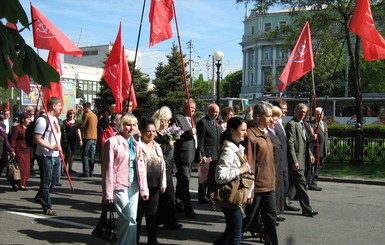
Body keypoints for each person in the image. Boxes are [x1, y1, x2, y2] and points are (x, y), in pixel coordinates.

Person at [102, 114, 149, 245]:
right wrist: (108, 193)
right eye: (128, 125)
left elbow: (141, 168)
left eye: (134, 125)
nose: (131, 128)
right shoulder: (112, 142)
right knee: (126, 218)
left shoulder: (136, 144)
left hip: (134, 186)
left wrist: (144, 189)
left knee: (133, 220)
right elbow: (107, 169)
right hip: (119, 185)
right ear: (121, 126)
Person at [243, 101, 279, 245]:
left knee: (271, 219)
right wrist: (250, 189)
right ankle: (228, 240)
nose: (272, 119)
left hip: (269, 185)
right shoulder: (251, 135)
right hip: (257, 187)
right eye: (269, 116)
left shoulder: (265, 133)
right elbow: (249, 164)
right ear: (257, 116)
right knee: (249, 219)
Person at [213, 117, 252, 245]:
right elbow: (220, 177)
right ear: (232, 131)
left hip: (238, 195)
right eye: (242, 130)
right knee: (236, 235)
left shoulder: (237, 147)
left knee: (231, 231)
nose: (245, 133)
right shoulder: (228, 151)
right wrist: (240, 170)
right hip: (231, 196)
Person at [151, 106, 182, 230]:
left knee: (168, 195)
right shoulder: (155, 134)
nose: (168, 123)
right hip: (160, 167)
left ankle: (168, 220)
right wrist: (169, 144)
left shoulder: (165, 132)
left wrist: (173, 139)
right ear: (162, 120)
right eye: (167, 120)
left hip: (168, 166)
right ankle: (167, 221)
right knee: (166, 195)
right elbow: (159, 151)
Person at [285, 103, 318, 217]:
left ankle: (285, 201)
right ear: (295, 111)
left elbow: (305, 143)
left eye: (304, 112)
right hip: (297, 160)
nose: (303, 114)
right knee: (302, 183)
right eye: (300, 111)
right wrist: (294, 160)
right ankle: (307, 208)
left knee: (294, 183)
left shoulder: (302, 124)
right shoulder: (292, 124)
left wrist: (310, 154)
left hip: (303, 158)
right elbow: (290, 144)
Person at [137, 119, 167, 245]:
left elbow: (162, 166)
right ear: (142, 132)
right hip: (141, 186)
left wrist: (163, 183)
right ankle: (134, 239)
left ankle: (152, 239)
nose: (151, 134)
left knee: (152, 214)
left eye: (153, 131)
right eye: (148, 131)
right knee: (138, 216)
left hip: (155, 185)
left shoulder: (157, 146)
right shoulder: (138, 146)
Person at [34, 97, 62, 216]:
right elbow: (36, 138)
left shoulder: (55, 119)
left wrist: (59, 150)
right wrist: (50, 147)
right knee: (46, 181)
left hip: (55, 155)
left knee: (55, 179)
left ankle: (40, 196)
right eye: (59, 105)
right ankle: (47, 206)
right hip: (45, 154)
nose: (61, 108)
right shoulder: (42, 120)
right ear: (53, 106)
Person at [173, 99, 198, 218]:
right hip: (182, 155)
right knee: (185, 182)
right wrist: (188, 132)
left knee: (182, 182)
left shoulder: (191, 120)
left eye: (193, 108)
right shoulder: (179, 119)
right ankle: (188, 208)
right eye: (190, 108)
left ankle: (177, 204)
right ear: (184, 108)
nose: (192, 110)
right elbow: (175, 135)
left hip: (190, 155)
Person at [271, 99, 294, 212]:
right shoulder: (273, 126)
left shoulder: (280, 123)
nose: (285, 111)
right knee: (277, 188)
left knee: (284, 185)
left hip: (283, 161)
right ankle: (275, 210)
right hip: (277, 162)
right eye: (283, 109)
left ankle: (280, 207)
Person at [196, 104, 220, 204]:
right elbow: (200, 140)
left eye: (218, 112)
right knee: (204, 176)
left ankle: (210, 195)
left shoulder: (216, 123)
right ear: (209, 111)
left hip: (216, 153)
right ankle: (202, 195)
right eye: (215, 112)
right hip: (207, 153)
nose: (217, 114)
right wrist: (202, 155)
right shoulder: (203, 122)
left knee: (212, 177)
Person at [267, 106, 285, 222]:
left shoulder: (275, 129)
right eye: (274, 118)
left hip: (279, 165)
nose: (276, 121)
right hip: (270, 168)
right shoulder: (266, 132)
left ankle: (276, 212)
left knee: (279, 190)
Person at [309, 107, 330, 191]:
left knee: (319, 167)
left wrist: (327, 149)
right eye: (317, 114)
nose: (319, 115)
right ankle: (312, 182)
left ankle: (315, 180)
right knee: (314, 167)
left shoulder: (324, 124)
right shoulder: (312, 124)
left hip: (323, 150)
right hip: (315, 150)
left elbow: (326, 138)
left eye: (320, 114)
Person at [10, 113, 31, 190]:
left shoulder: (29, 128)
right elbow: (13, 140)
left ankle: (21, 182)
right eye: (28, 119)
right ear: (23, 120)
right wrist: (12, 150)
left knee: (26, 168)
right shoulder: (17, 128)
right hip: (19, 150)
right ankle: (20, 184)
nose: (29, 120)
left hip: (27, 150)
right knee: (21, 167)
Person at [80, 102, 98, 177]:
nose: (83, 109)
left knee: (85, 155)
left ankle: (86, 172)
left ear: (87, 108)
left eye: (84, 108)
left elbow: (82, 125)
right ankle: (91, 171)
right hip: (94, 137)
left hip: (88, 137)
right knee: (92, 155)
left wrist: (74, 125)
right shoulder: (95, 115)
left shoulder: (87, 115)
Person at [63, 109, 82, 174]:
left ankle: (70, 168)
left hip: (74, 140)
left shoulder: (76, 122)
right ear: (68, 115)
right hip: (67, 140)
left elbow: (79, 131)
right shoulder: (65, 122)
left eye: (72, 114)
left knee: (72, 154)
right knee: (68, 153)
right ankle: (64, 168)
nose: (71, 115)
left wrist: (80, 140)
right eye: (70, 114)